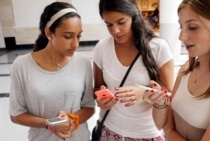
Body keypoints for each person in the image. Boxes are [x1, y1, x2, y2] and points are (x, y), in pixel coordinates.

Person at [147, 0, 210, 141]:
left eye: (193, 27)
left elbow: (167, 127)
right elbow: (160, 123)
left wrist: (169, 130)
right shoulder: (187, 69)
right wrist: (159, 103)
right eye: (181, 27)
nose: (181, 37)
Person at [9, 2, 95, 141]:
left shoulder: (83, 63)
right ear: (48, 32)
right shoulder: (22, 65)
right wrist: (49, 124)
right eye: (68, 36)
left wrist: (73, 120)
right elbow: (16, 114)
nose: (76, 44)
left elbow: (89, 107)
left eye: (79, 36)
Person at [93, 0, 174, 140]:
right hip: (109, 130)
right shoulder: (102, 48)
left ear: (134, 17)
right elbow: (97, 88)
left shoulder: (158, 47)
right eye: (109, 25)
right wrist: (100, 100)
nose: (115, 31)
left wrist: (144, 93)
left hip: (147, 134)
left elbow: (169, 97)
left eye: (121, 22)